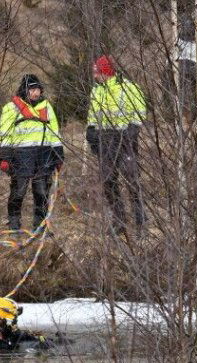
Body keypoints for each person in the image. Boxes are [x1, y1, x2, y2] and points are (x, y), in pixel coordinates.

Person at [85, 55, 148, 235]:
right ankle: (118, 220)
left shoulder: (129, 88)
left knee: (132, 179)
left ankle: (141, 220)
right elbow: (92, 115)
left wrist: (132, 130)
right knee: (108, 181)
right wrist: (91, 131)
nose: (95, 76)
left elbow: (140, 111)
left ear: (106, 72)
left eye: (97, 72)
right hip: (105, 139)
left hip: (126, 138)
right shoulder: (96, 91)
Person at [0, 74, 65, 233]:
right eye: (32, 89)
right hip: (20, 156)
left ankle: (40, 225)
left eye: (38, 89)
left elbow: (54, 132)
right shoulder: (11, 108)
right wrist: (5, 157)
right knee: (18, 191)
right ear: (24, 90)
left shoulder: (47, 107)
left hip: (44, 155)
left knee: (41, 192)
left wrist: (58, 155)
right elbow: (4, 134)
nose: (35, 93)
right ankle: (14, 223)